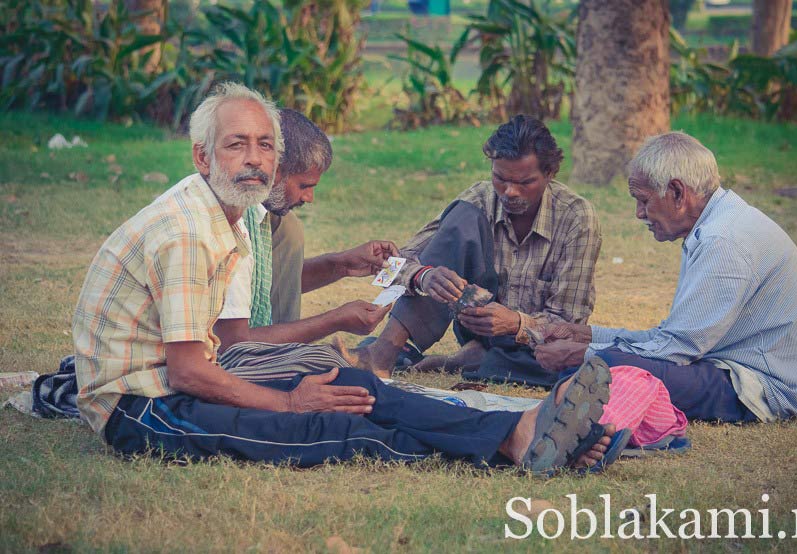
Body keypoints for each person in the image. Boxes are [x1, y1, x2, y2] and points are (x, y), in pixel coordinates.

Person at [71, 82, 613, 472]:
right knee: (335, 424)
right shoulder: (189, 232)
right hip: (144, 409)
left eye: (265, 145)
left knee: (350, 387)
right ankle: (509, 442)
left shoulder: (225, 217)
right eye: (237, 145)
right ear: (202, 156)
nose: (255, 160)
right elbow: (190, 373)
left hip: (185, 381)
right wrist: (288, 402)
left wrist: (345, 272)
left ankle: (517, 434)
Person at [532, 131, 797, 423]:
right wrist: (588, 334)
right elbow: (671, 337)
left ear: (678, 193)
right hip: (728, 367)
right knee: (603, 362)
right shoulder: (716, 225)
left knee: (606, 365)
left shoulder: (722, 241)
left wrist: (582, 353)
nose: (638, 213)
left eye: (643, 200)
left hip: (761, 390)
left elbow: (675, 349)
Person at [339, 115, 602, 387]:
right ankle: (383, 352)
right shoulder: (478, 198)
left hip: (533, 346)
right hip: (476, 326)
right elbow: (391, 267)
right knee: (463, 218)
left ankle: (472, 359)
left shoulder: (577, 217)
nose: (510, 192)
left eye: (524, 183)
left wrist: (515, 323)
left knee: (564, 364)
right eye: (500, 178)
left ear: (550, 174)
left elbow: (569, 323)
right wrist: (423, 276)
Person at [214, 108, 399, 352]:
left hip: (243, 353)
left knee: (289, 229)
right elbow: (232, 345)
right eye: (304, 185)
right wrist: (334, 320)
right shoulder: (229, 219)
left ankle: (281, 356)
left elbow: (273, 281)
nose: (309, 197)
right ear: (275, 170)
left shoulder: (268, 219)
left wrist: (341, 265)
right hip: (209, 360)